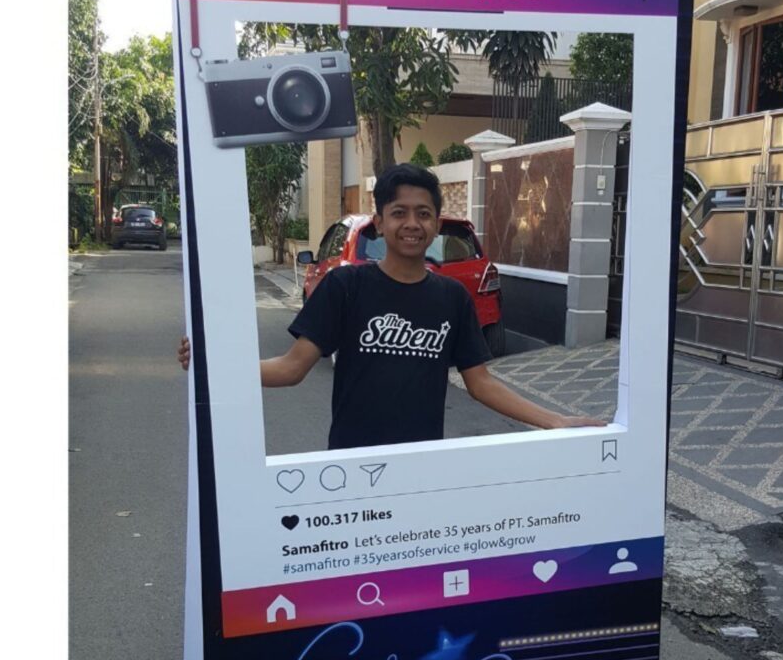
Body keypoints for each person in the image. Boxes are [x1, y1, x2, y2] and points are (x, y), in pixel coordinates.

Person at [178, 162, 603, 449]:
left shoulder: (452, 298)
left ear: (436, 223)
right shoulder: (346, 286)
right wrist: (213, 366)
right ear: (379, 223)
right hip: (351, 467)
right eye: (399, 213)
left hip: (420, 469)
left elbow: (481, 383)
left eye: (423, 214)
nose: (412, 224)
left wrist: (555, 420)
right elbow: (291, 369)